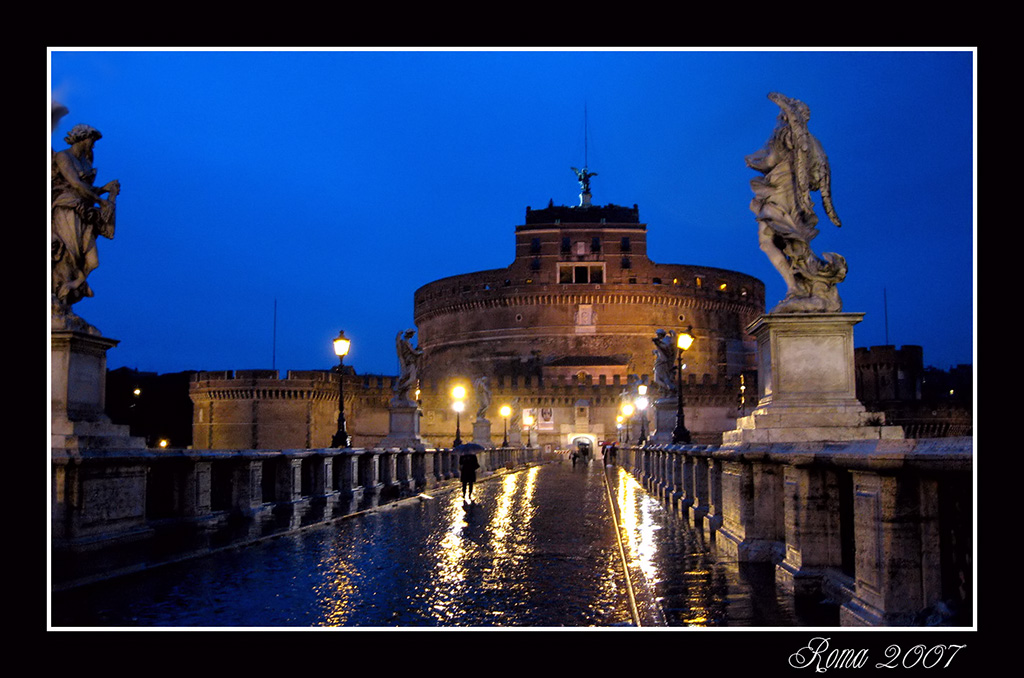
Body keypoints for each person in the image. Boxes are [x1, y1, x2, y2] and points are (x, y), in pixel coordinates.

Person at [745, 92, 846, 313]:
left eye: (782, 114)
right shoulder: (811, 143)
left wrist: (753, 162)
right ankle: (799, 287)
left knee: (774, 240)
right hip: (787, 192)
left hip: (780, 192)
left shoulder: (784, 134)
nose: (780, 117)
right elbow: (813, 176)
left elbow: (771, 160)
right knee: (783, 240)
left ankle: (799, 287)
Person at [52, 123, 120, 321]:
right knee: (69, 256)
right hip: (66, 210)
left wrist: (104, 190)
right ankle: (60, 301)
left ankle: (71, 287)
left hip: (84, 214)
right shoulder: (63, 157)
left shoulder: (87, 162)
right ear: (82, 138)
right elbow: (74, 184)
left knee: (91, 262)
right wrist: (101, 201)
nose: (93, 146)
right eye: (92, 140)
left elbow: (84, 190)